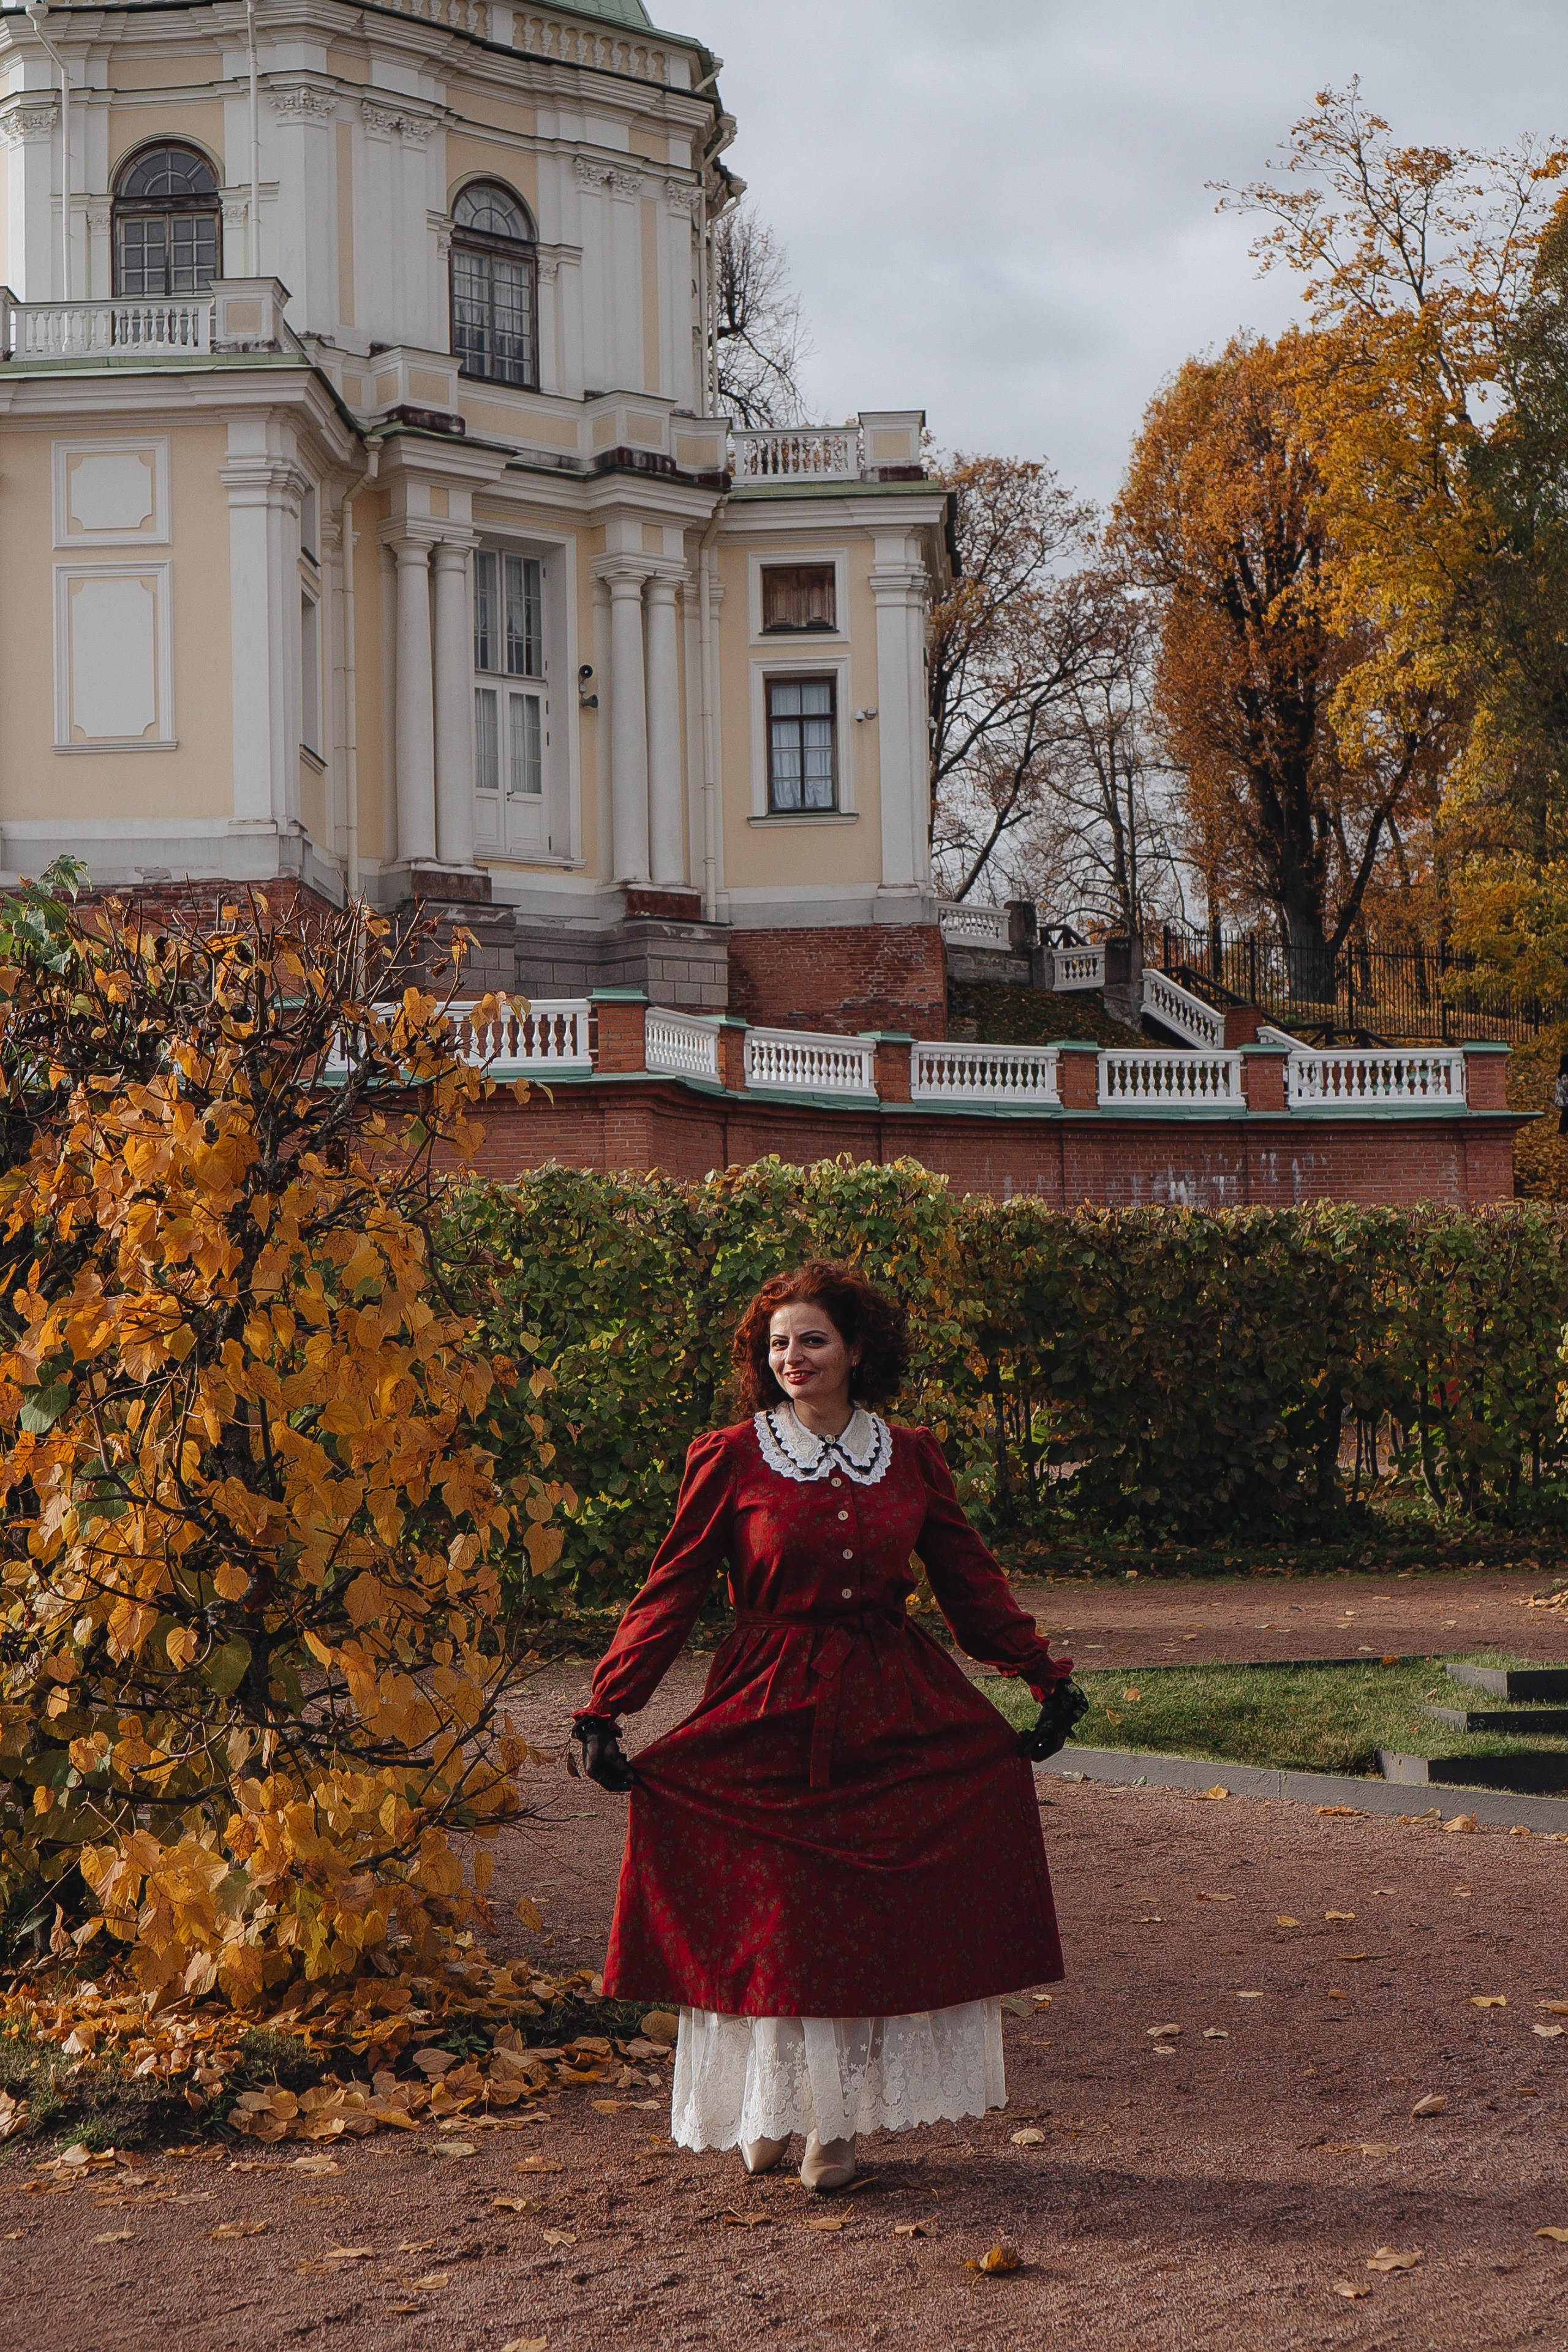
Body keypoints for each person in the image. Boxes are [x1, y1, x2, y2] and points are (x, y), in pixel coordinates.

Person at [571, 1261, 1081, 2193]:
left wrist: (1043, 1678)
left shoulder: (912, 1454)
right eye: (777, 1344)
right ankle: (767, 2113)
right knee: (776, 1920)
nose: (792, 1358)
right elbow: (674, 1589)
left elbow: (970, 1584)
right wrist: (610, 1704)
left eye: (811, 1340)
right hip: (764, 1708)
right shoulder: (730, 1455)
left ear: (853, 1349)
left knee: (857, 1922)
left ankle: (833, 2130)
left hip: (893, 1708)